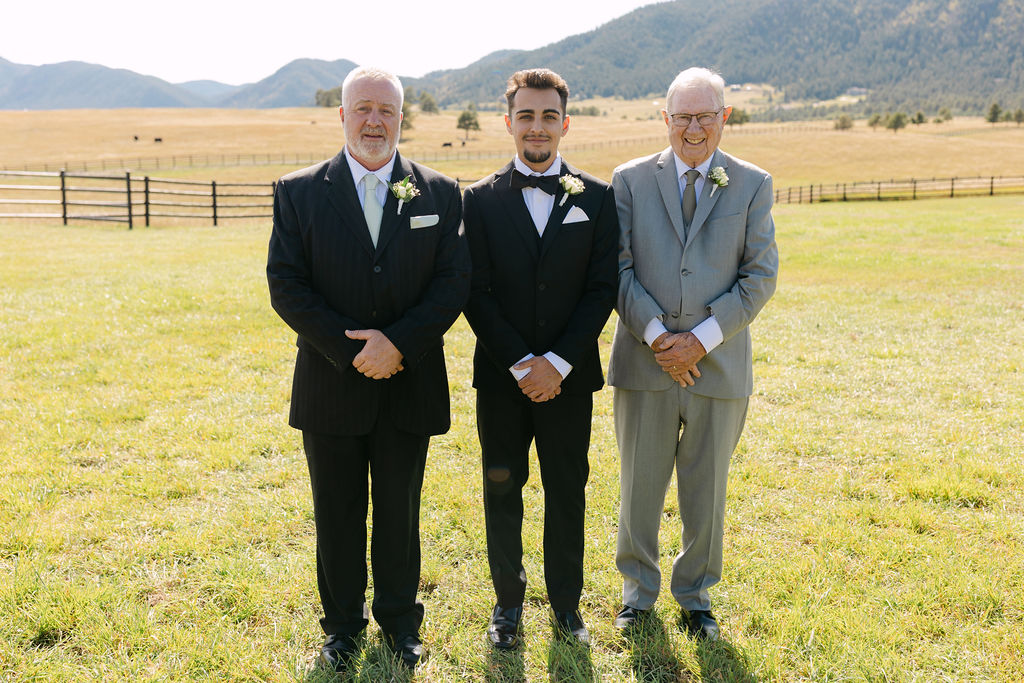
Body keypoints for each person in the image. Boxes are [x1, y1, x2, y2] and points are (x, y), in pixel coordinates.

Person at [266, 65, 470, 671]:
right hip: (331, 384)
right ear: (343, 115)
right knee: (336, 510)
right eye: (363, 108)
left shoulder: (439, 192)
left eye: (387, 109)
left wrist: (398, 344)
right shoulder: (299, 191)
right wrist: (354, 350)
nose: (375, 120)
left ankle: (401, 624)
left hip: (410, 383)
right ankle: (342, 628)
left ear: (402, 119)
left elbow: (453, 282)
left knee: (401, 512)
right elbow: (287, 286)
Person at [608, 67, 778, 640]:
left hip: (719, 364)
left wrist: (699, 341)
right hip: (644, 359)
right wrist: (659, 338)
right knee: (640, 482)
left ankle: (696, 594)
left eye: (706, 115)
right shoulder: (629, 181)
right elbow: (618, 269)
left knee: (707, 487)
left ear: (724, 117)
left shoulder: (752, 184)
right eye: (682, 116)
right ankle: (637, 593)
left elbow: (760, 276)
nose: (694, 127)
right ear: (665, 119)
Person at [462, 68, 618, 649]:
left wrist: (558, 361)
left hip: (570, 381)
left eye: (548, 115)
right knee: (501, 488)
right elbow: (473, 290)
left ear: (565, 123)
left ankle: (567, 606)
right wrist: (523, 364)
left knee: (567, 489)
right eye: (526, 115)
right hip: (503, 380)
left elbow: (601, 290)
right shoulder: (475, 200)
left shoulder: (597, 199)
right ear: (509, 123)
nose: (537, 127)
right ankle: (507, 605)